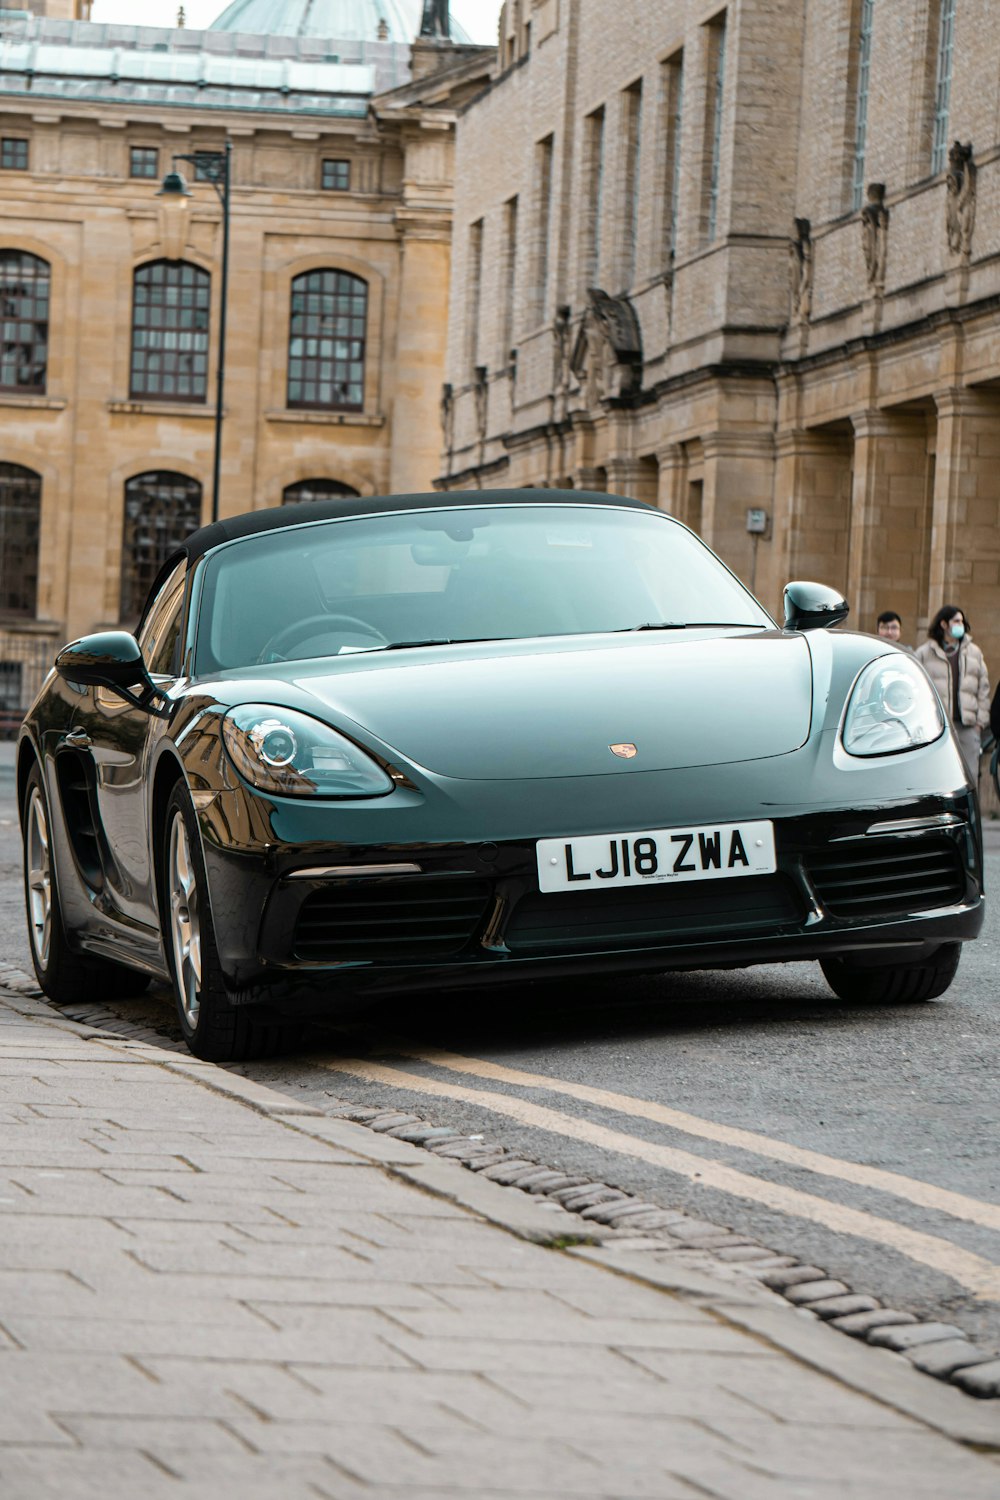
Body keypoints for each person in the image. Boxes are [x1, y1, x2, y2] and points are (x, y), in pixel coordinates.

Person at [915, 605, 991, 781]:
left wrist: (980, 723)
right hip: (937, 727)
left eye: (962, 621)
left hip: (968, 727)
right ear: (944, 624)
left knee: (969, 777)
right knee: (938, 776)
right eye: (956, 621)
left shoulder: (974, 653)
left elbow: (983, 688)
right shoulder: (925, 653)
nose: (961, 624)